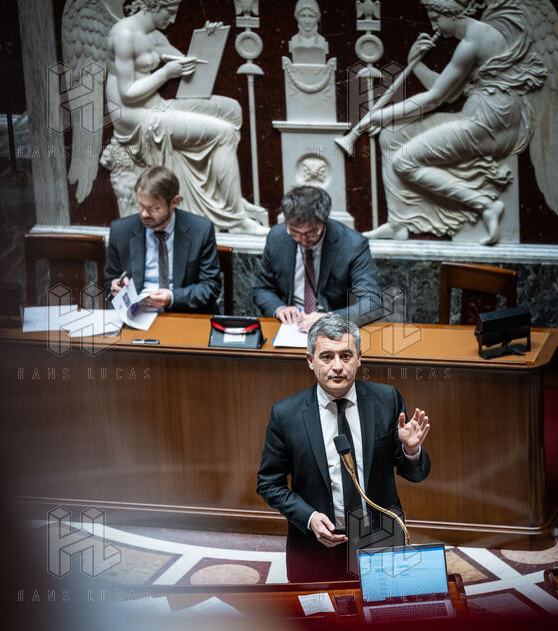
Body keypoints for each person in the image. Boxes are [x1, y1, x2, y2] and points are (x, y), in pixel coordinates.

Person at [346, 0, 548, 245]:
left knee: (404, 161)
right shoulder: (479, 35)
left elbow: (436, 98)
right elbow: (449, 92)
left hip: (490, 123)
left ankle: (485, 205)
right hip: (479, 114)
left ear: (452, 13)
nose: (434, 26)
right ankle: (398, 223)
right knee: (391, 135)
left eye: (435, 18)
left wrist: (380, 115)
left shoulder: (471, 42)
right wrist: (417, 63)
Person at [257, 314, 431, 583]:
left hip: (380, 538)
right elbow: (269, 484)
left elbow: (416, 474)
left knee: (385, 609)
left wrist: (410, 450)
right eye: (327, 357)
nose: (337, 366)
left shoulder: (387, 400)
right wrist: (309, 518)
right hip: (315, 545)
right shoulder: (286, 415)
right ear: (310, 360)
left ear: (359, 358)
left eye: (346, 356)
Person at [104, 0, 266, 233]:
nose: (172, 19)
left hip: (156, 106)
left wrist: (208, 39)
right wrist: (165, 73)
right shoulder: (124, 35)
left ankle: (226, 194)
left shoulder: (154, 35)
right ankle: (236, 219)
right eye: (169, 12)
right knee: (225, 134)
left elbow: (189, 65)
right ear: (154, 5)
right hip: (135, 120)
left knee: (231, 110)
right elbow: (128, 93)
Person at [252, 186, 381, 333]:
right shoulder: (277, 237)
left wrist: (329, 319)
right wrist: (279, 308)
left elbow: (371, 302)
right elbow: (263, 289)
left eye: (312, 233)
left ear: (324, 222)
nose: (303, 240)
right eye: (294, 232)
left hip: (334, 331)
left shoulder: (353, 245)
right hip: (290, 327)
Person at [105, 166, 221, 314]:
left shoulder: (200, 231)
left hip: (183, 314)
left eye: (153, 208)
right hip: (137, 314)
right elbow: (110, 280)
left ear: (174, 202)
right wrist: (115, 285)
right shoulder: (121, 231)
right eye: (140, 205)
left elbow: (211, 286)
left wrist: (173, 297)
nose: (144, 214)